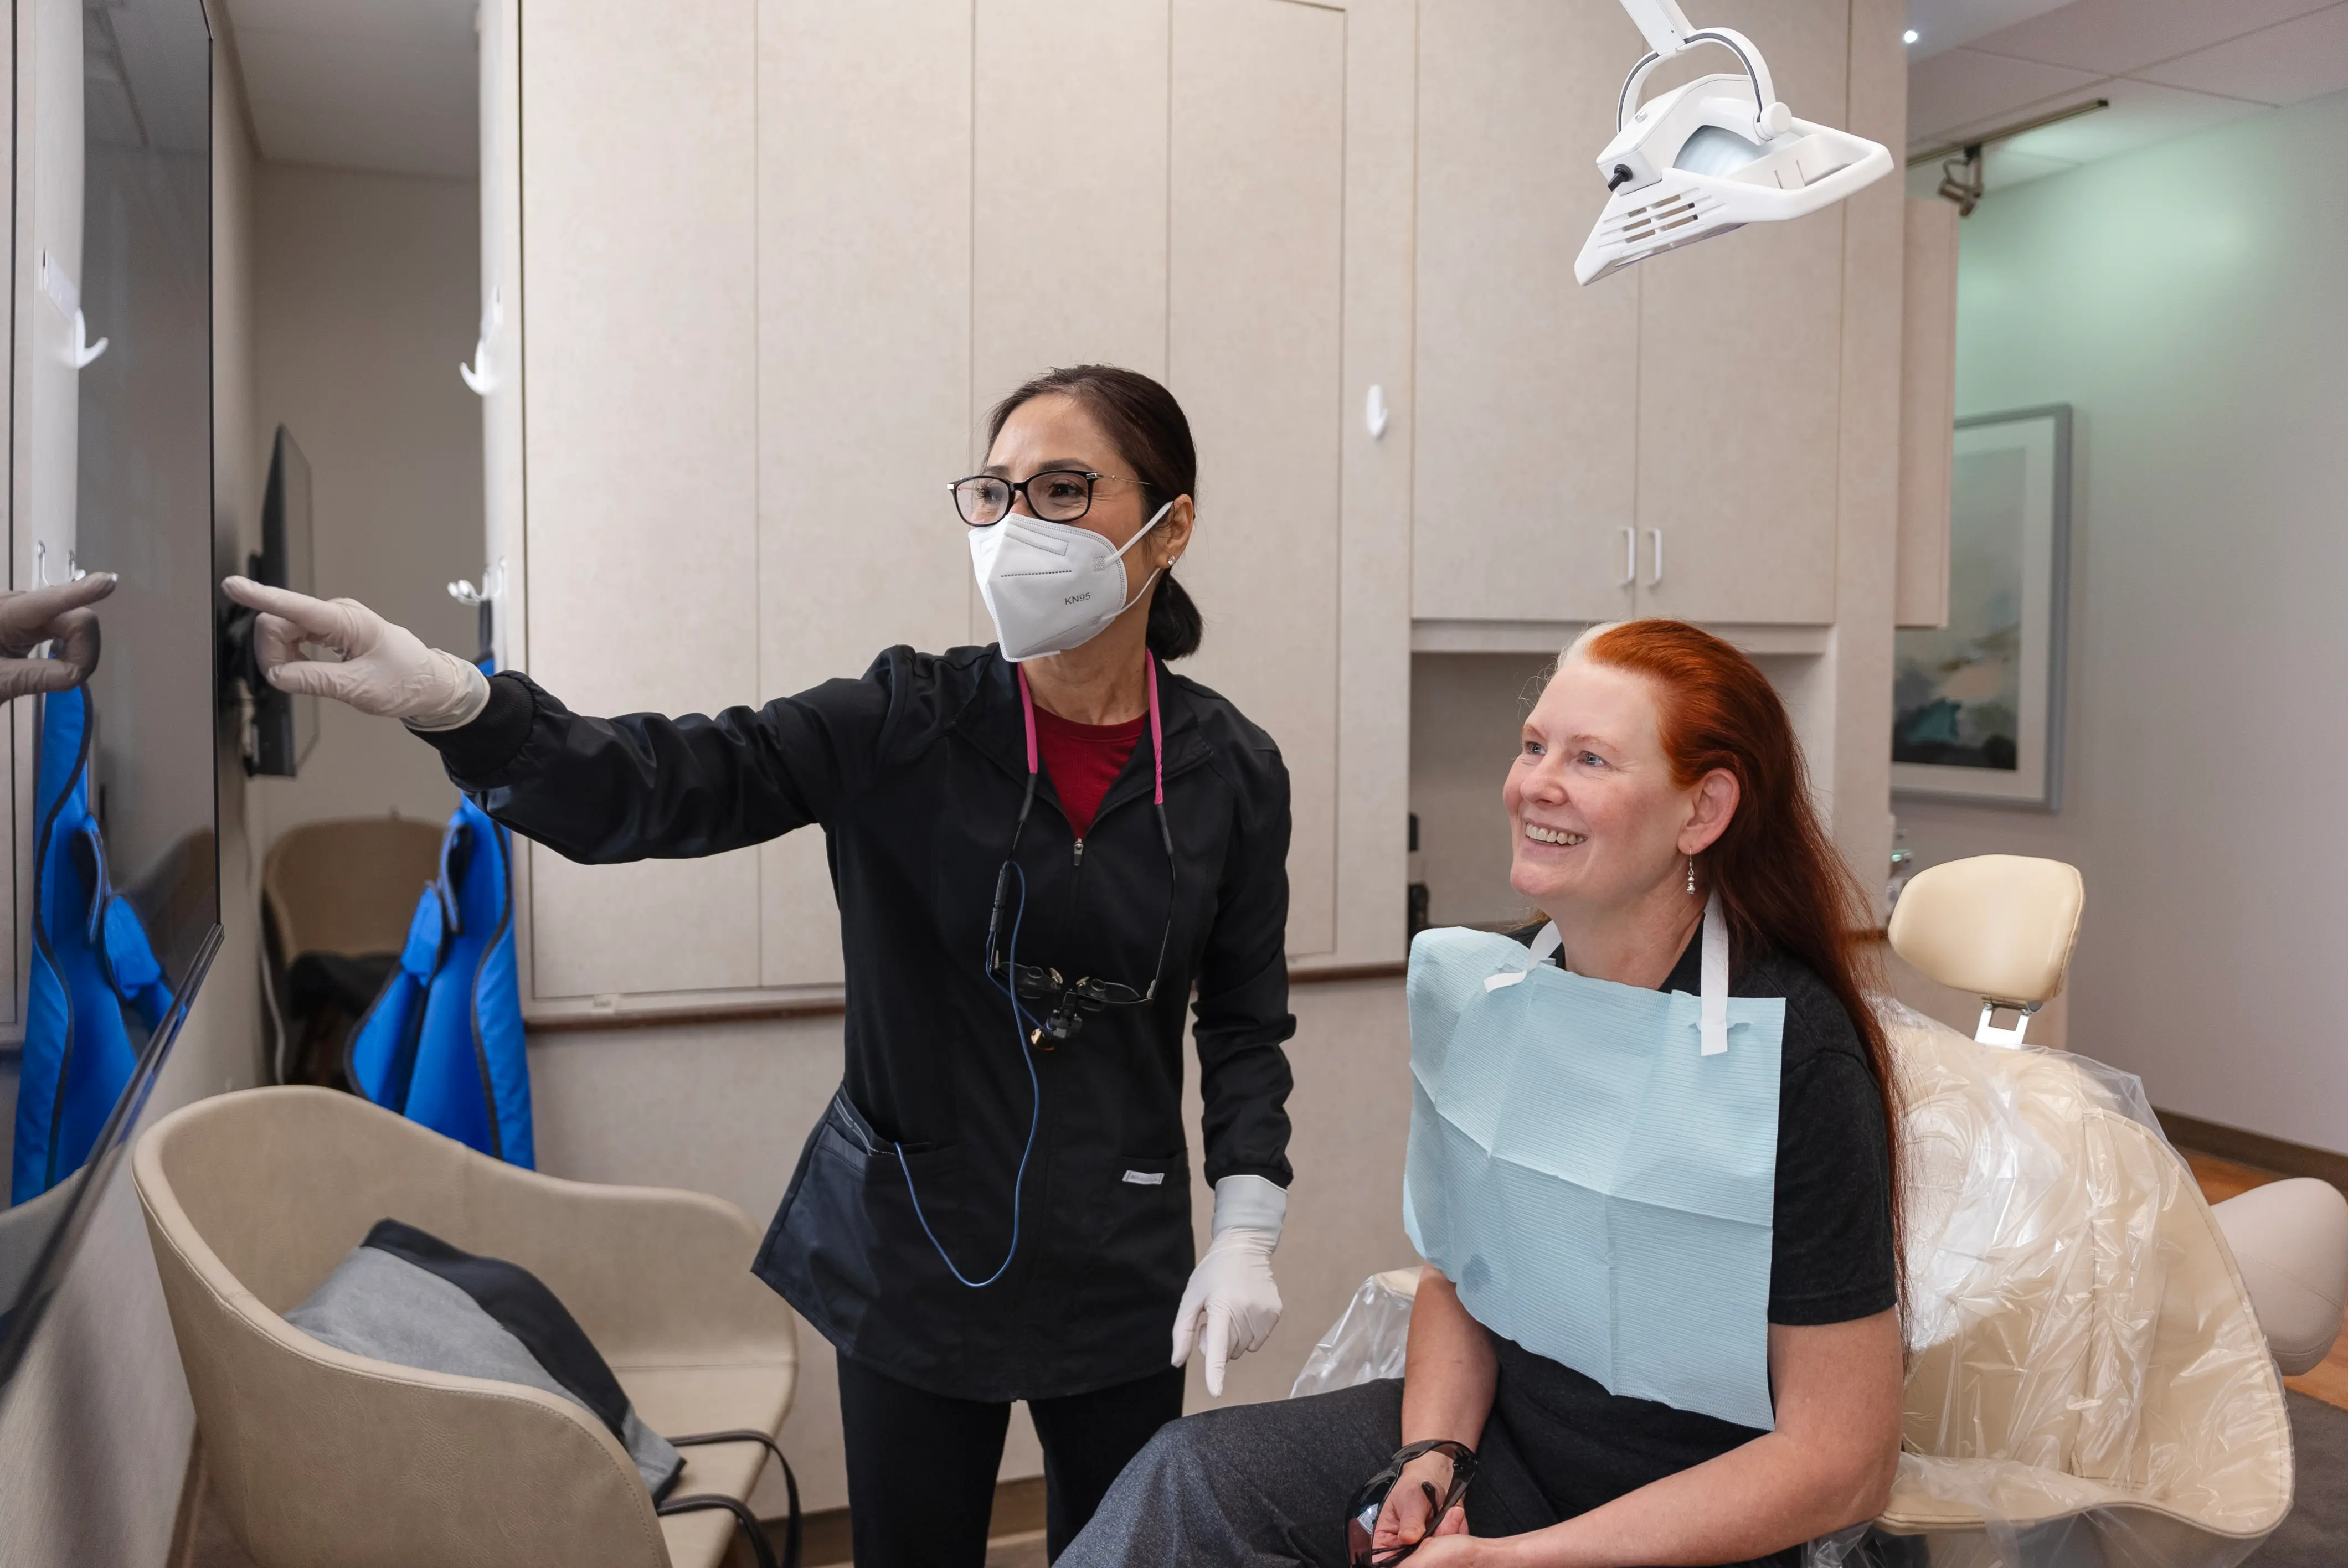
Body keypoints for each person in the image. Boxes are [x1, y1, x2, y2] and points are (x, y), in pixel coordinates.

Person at [220, 366, 1300, 1567]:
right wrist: (453, 701)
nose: (1016, 530)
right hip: (911, 1250)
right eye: (994, 496)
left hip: (1120, 1257)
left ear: (1171, 524)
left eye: (1061, 491)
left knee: (1127, 1551)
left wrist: (1247, 1217)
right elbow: (669, 780)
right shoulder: (910, 720)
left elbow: (1244, 1017)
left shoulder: (1232, 773)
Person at [1064, 620, 1903, 1568]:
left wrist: (1515, 1562)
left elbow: (1846, 1461)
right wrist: (1432, 1461)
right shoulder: (1494, 995)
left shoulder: (1791, 1056)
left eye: (1589, 759)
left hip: (1693, 1522)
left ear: (1702, 811)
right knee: (1190, 1481)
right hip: (1506, 1453)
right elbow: (1461, 1278)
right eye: (1535, 745)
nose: (1536, 782)